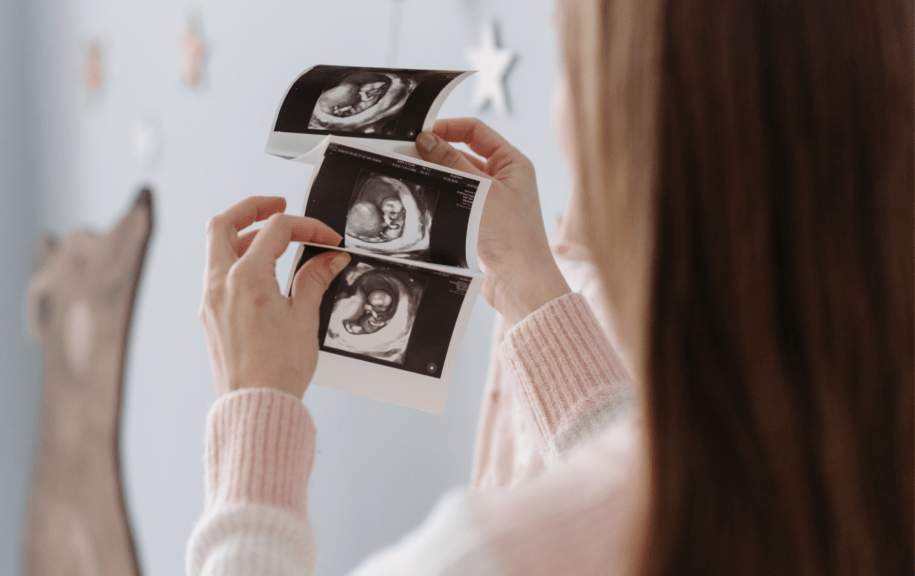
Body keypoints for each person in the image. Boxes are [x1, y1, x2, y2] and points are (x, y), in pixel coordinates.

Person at [189, 1, 913, 575]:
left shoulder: (491, 557)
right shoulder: (856, 468)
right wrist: (526, 278)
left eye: (571, 62)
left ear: (648, 120)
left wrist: (257, 412)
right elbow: (654, 474)